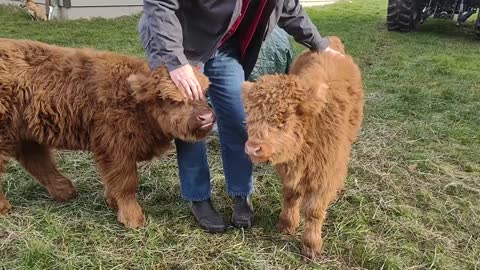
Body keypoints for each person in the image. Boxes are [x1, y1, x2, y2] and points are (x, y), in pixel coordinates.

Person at [138, 0, 342, 233]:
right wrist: (174, 60)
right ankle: (199, 197)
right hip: (182, 45)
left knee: (237, 118)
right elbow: (160, 3)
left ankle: (241, 194)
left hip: (226, 47)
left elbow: (289, 9)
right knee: (191, 122)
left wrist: (321, 45)